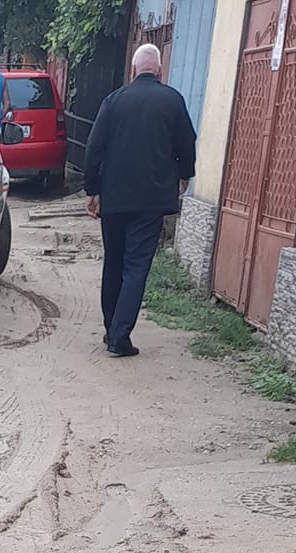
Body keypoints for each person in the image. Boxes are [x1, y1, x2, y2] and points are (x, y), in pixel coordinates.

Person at [83, 44, 197, 357]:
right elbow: (187, 141)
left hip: (115, 198)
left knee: (114, 263)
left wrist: (91, 190)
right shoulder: (172, 101)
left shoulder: (114, 101)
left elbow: (94, 146)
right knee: (136, 267)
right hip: (151, 200)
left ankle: (111, 330)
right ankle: (120, 336)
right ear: (159, 70)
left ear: (134, 70)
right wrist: (185, 174)